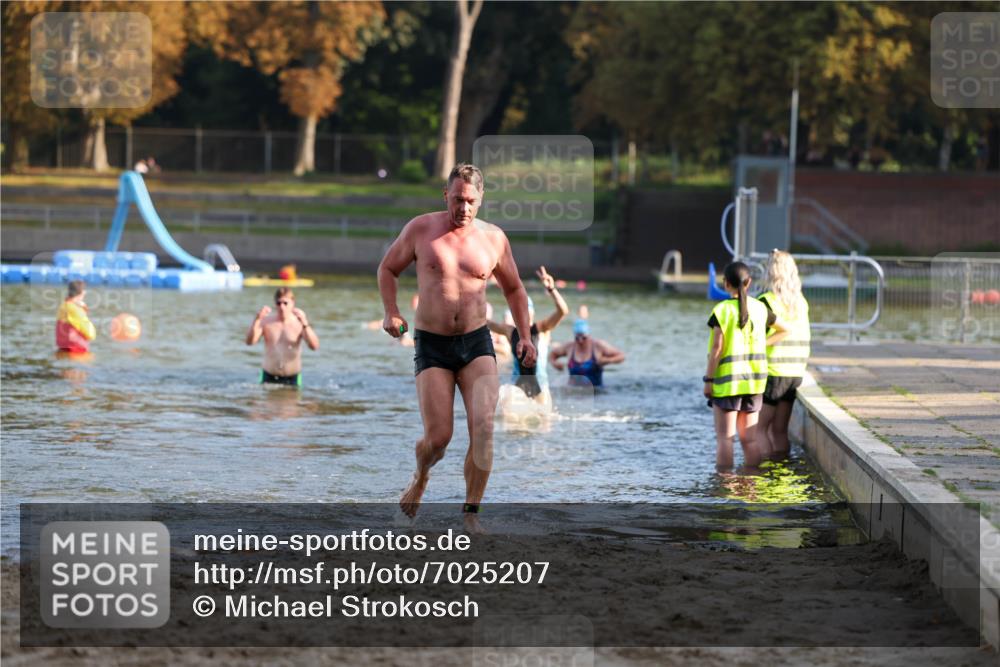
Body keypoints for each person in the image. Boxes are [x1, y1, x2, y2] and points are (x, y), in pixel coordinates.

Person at [377, 162, 536, 529]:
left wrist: (524, 336)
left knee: (484, 428)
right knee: (438, 438)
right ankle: (420, 478)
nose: (463, 208)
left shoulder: (494, 238)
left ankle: (471, 515)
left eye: (471, 201)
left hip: (476, 342)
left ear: (481, 201)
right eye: (458, 199)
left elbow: (514, 288)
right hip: (432, 344)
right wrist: (391, 312)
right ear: (445, 195)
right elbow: (387, 269)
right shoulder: (421, 229)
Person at [704, 262, 786, 470]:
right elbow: (784, 330)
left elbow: (716, 349)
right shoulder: (760, 308)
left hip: (727, 384)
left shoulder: (721, 311)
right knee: (749, 440)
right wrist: (762, 344)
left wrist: (709, 380)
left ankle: (725, 486)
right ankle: (751, 483)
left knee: (725, 439)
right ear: (749, 283)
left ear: (725, 283)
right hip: (754, 384)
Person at [487, 266, 569, 406]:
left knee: (544, 423)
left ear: (531, 313)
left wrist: (552, 290)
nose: (522, 315)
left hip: (540, 387)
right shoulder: (510, 331)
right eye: (518, 311)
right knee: (508, 403)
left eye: (525, 311)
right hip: (517, 385)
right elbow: (485, 322)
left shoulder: (542, 329)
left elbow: (563, 311)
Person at [756, 251, 810, 460]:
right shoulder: (801, 302)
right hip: (795, 372)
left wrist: (759, 346)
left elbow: (763, 335)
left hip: (773, 372)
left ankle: (761, 472)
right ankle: (781, 469)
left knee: (758, 430)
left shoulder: (767, 301)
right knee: (779, 430)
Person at [245, 287, 319, 386]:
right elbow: (250, 342)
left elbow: (314, 346)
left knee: (293, 401)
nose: (282, 307)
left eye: (285, 303)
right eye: (278, 303)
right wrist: (257, 320)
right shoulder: (267, 322)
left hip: (293, 377)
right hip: (268, 375)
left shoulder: (299, 323)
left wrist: (305, 323)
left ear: (293, 303)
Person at [549, 319, 625, 390]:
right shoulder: (570, 347)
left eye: (584, 338)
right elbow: (552, 354)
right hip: (574, 391)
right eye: (577, 338)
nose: (580, 341)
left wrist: (607, 360)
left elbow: (621, 356)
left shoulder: (598, 346)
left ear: (589, 335)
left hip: (596, 392)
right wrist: (554, 363)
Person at [56, 280, 97, 353]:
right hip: (76, 352)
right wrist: (82, 310)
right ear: (82, 293)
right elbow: (91, 334)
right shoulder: (75, 310)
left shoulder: (63, 306)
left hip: (62, 350)